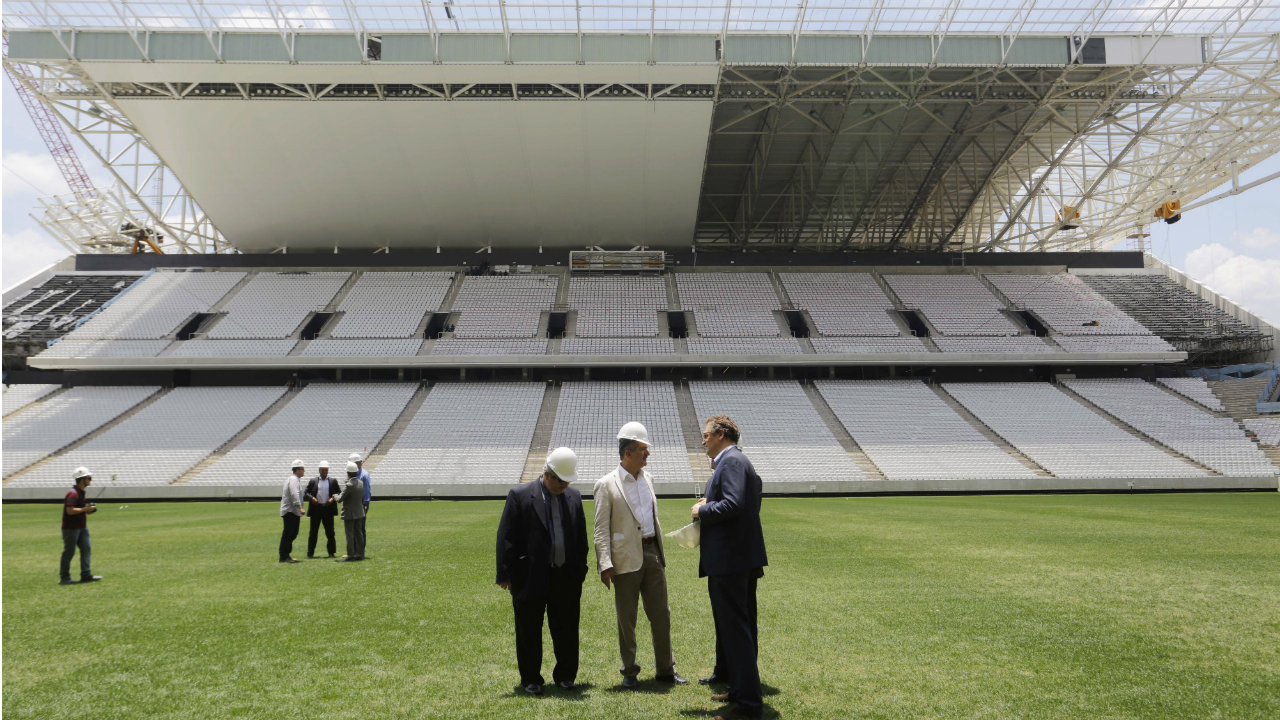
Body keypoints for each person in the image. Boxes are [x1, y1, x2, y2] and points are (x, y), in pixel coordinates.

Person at [593, 422, 686, 688]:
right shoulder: (606, 484)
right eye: (643, 450)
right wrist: (605, 564)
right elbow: (600, 529)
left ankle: (666, 669)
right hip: (624, 558)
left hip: (652, 553)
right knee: (627, 618)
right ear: (628, 453)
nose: (648, 454)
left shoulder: (648, 479)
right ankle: (629, 671)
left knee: (661, 614)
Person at [692, 414, 768, 720]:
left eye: (707, 435)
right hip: (737, 559)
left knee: (736, 632)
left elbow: (734, 503)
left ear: (722, 434)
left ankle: (748, 706)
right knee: (738, 630)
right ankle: (739, 691)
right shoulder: (734, 461)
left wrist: (703, 509)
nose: (703, 440)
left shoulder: (732, 461)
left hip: (730, 561)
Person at [495, 447, 588, 695]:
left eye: (568, 481)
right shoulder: (520, 495)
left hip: (566, 576)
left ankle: (566, 676)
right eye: (560, 480)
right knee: (528, 630)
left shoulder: (574, 497)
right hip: (529, 576)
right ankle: (531, 679)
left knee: (567, 628)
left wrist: (581, 570)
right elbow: (506, 537)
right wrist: (504, 574)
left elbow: (581, 538)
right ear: (546, 473)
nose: (564, 485)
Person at [60, 466, 102, 585]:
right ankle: (64, 577)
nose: (90, 480)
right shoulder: (73, 494)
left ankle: (86, 575)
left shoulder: (80, 493)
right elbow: (70, 511)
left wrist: (89, 510)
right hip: (71, 528)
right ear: (82, 479)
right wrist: (85, 509)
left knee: (86, 549)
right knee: (69, 552)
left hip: (81, 527)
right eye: (89, 478)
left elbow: (79, 510)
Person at [305, 460, 341, 559]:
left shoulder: (333, 481)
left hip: (328, 509)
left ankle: (331, 552)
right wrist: (311, 498)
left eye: (326, 470)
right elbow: (306, 493)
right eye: (322, 470)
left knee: (330, 532)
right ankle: (310, 553)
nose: (324, 471)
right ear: (319, 470)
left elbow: (339, 492)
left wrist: (332, 499)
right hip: (316, 509)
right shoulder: (313, 481)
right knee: (313, 532)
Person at [334, 462, 366, 561]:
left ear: (348, 473)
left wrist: (334, 496)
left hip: (349, 513)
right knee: (359, 534)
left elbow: (339, 499)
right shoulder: (360, 483)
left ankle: (351, 555)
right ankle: (360, 554)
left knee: (350, 535)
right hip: (359, 512)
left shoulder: (349, 485)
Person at [279, 460, 305, 564]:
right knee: (289, 533)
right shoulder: (293, 480)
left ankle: (286, 555)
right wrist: (300, 507)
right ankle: (283, 556)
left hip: (292, 511)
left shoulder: (295, 479)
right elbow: (294, 494)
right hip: (291, 511)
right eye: (302, 469)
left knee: (292, 533)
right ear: (297, 470)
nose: (304, 471)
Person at [349, 452, 371, 553]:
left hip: (361, 505)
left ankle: (360, 551)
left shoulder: (364, 475)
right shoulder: (352, 473)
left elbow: (366, 491)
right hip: (353, 504)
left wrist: (365, 507)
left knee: (360, 529)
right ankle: (353, 551)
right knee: (353, 529)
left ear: (358, 463)